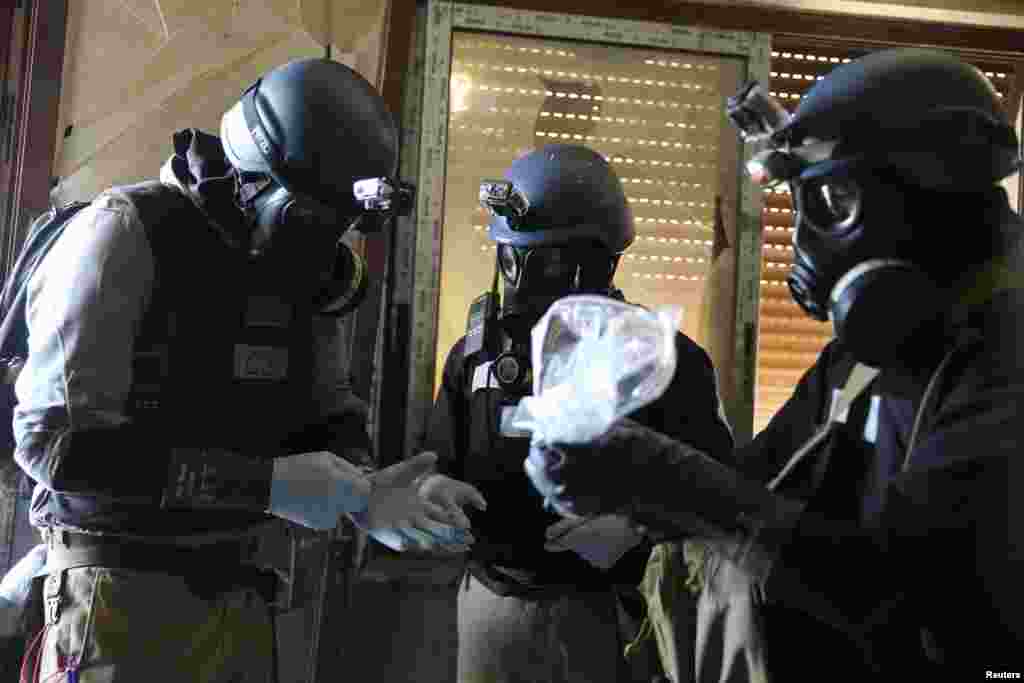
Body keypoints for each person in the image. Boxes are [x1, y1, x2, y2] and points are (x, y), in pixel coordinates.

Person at [524, 48, 1024, 680]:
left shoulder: (1003, 358)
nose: (807, 245)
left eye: (833, 202)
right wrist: (629, 483)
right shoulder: (879, 344)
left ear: (933, 183)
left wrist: (674, 485)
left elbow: (924, 606)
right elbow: (765, 478)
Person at [11, 58, 480, 682]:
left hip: (241, 591)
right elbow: (54, 445)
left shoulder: (298, 265)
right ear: (258, 183)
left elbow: (329, 413)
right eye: (313, 218)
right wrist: (266, 486)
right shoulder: (128, 234)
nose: (325, 246)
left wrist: (370, 491)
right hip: (118, 594)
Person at [420, 143, 735, 683]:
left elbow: (719, 506)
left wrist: (637, 534)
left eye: (544, 259)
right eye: (511, 257)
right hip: (492, 605)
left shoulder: (666, 362)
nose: (519, 278)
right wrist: (431, 497)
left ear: (597, 262)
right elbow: (436, 466)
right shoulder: (475, 356)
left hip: (607, 610)